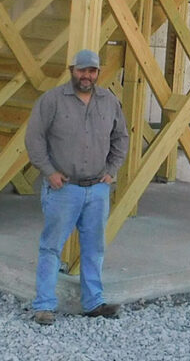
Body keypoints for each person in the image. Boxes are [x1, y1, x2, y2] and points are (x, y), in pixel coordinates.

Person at [24, 48, 129, 324]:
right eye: (82, 70)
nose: (87, 75)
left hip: (97, 190)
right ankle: (44, 305)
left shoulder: (109, 101)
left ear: (98, 72)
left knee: (94, 248)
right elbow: (34, 139)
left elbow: (121, 138)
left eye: (92, 70)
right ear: (72, 70)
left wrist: (111, 170)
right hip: (63, 190)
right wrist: (48, 172)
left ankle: (94, 303)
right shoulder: (52, 100)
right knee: (51, 248)